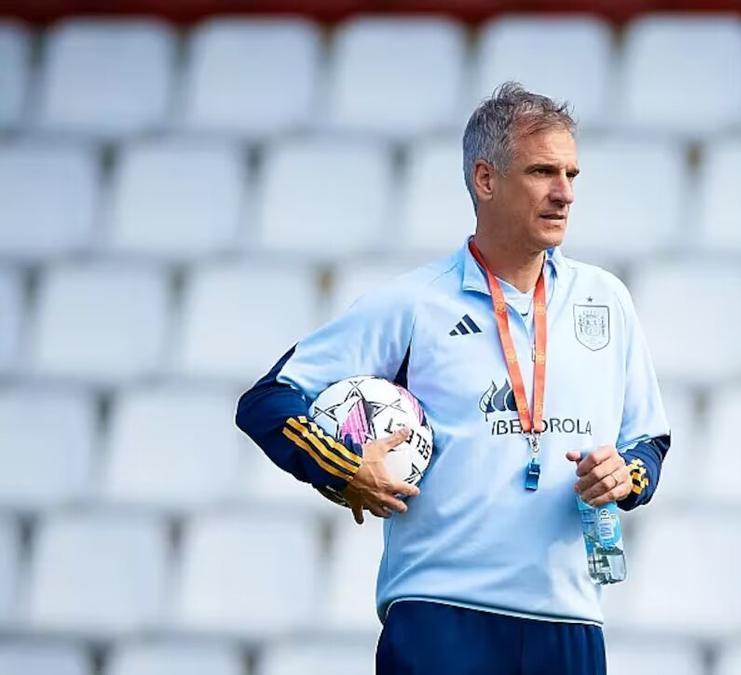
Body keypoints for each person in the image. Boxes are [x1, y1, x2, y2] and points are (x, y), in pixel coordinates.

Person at [235, 82, 671, 675]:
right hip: (442, 615)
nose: (565, 193)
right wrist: (344, 467)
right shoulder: (415, 302)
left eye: (571, 174)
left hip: (568, 620)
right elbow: (268, 399)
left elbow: (648, 440)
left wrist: (625, 475)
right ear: (486, 180)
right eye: (542, 172)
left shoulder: (607, 299)